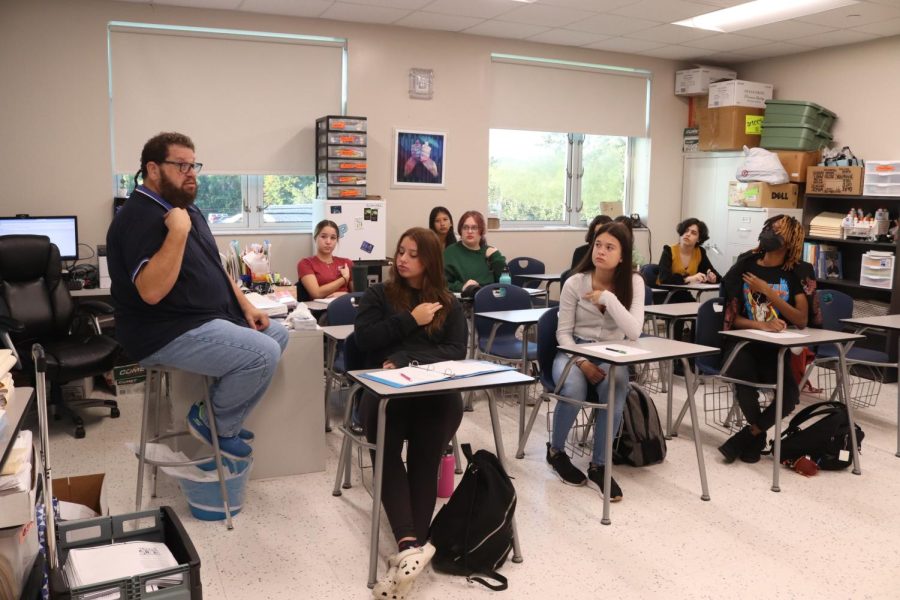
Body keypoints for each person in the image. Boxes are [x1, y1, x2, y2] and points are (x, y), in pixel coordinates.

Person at [107, 132, 288, 459]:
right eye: (181, 165)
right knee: (263, 353)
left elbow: (216, 267)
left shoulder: (186, 210)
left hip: (204, 318)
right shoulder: (138, 216)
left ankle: (214, 414)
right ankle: (220, 424)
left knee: (277, 333)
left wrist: (246, 305)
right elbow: (150, 291)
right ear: (153, 169)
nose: (191, 173)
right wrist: (176, 232)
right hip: (163, 331)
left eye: (194, 165)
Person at [354, 227, 467, 599]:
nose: (402, 259)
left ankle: (407, 550)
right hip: (386, 395)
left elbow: (456, 351)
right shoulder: (379, 295)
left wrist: (407, 357)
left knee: (425, 457)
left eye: (413, 254)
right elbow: (364, 340)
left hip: (434, 395)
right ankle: (411, 547)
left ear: (430, 261)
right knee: (386, 452)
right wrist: (410, 320)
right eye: (400, 251)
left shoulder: (447, 303)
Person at [546, 222, 645, 501]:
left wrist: (609, 298)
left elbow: (634, 330)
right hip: (572, 350)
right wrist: (581, 360)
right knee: (574, 390)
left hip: (612, 353)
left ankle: (600, 465)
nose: (600, 251)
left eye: (609, 247)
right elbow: (562, 333)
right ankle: (555, 451)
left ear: (623, 256)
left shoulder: (634, 282)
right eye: (598, 245)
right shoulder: (575, 282)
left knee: (615, 390)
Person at [718, 215, 808, 464]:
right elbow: (732, 318)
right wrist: (762, 325)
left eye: (777, 230)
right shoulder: (746, 265)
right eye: (769, 227)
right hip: (744, 343)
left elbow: (801, 319)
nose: (769, 232)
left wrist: (769, 292)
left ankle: (750, 435)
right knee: (744, 386)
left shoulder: (794, 272)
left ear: (789, 240)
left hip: (776, 349)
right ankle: (756, 440)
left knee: (790, 396)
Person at [657, 217, 721, 343]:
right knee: (680, 313)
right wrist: (689, 279)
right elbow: (664, 278)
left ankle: (692, 354)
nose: (688, 234)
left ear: (699, 239)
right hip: (665, 294)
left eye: (693, 233)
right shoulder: (669, 250)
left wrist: (712, 278)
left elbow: (715, 275)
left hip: (682, 294)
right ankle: (676, 358)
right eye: (686, 230)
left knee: (701, 313)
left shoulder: (699, 252)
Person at [443, 210, 507, 294]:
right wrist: (462, 287)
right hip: (465, 301)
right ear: (460, 231)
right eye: (465, 227)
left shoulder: (490, 252)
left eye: (474, 227)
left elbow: (505, 282)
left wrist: (495, 257)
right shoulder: (451, 252)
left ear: (481, 231)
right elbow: (441, 284)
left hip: (492, 298)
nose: (469, 231)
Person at [297, 219, 354, 299]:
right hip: (321, 309)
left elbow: (359, 294)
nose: (328, 242)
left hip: (347, 305)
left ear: (337, 240)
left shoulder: (347, 263)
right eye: (323, 237)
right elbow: (316, 293)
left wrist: (345, 295)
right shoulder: (306, 263)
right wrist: (344, 279)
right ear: (315, 238)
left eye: (333, 238)